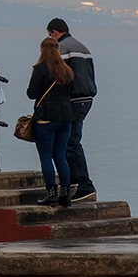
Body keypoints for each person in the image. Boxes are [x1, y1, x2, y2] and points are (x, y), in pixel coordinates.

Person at [47, 18, 97, 202]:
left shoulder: (62, 48)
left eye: (50, 34)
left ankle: (84, 185)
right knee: (72, 140)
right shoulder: (83, 47)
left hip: (73, 99)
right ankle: (75, 181)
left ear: (54, 32)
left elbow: (59, 77)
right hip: (87, 97)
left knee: (71, 142)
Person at [26, 37, 76, 207]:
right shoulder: (67, 70)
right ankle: (66, 195)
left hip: (46, 119)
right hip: (66, 118)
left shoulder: (40, 69)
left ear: (42, 50)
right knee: (60, 156)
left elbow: (31, 93)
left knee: (46, 157)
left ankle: (52, 195)